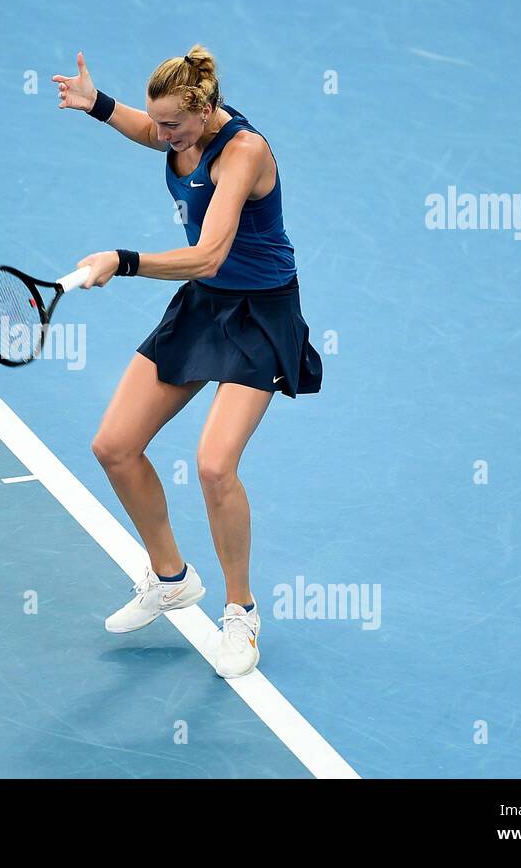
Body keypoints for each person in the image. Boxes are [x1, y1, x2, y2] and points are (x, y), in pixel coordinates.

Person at [52, 44, 323, 678]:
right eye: (161, 125)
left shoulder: (246, 152)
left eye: (174, 125)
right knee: (115, 445)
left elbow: (207, 255)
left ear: (205, 110)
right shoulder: (180, 132)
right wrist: (96, 105)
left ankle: (241, 614)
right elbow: (149, 129)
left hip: (260, 313)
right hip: (205, 307)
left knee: (213, 464)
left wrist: (122, 261)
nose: (163, 136)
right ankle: (170, 577)